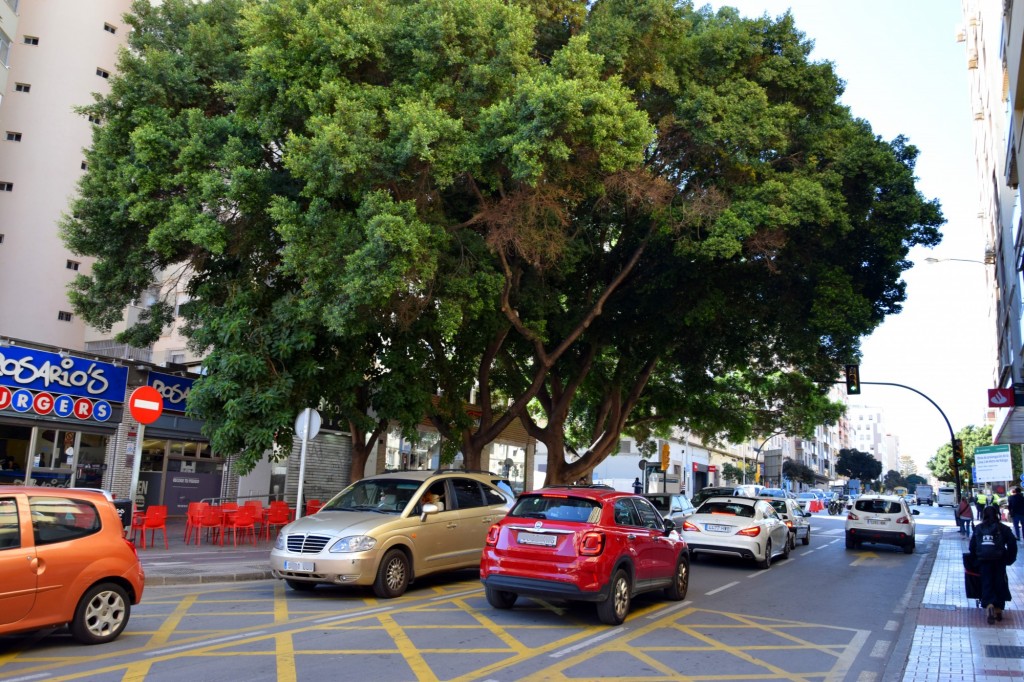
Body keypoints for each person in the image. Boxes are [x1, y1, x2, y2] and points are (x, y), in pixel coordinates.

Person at [968, 505, 1018, 624]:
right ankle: (998, 608)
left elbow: (972, 546)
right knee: (999, 582)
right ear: (997, 514)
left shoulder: (979, 528)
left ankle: (989, 605)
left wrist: (975, 559)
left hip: (983, 561)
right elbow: (1012, 543)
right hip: (999, 560)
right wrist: (1010, 558)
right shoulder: (1003, 528)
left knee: (987, 582)